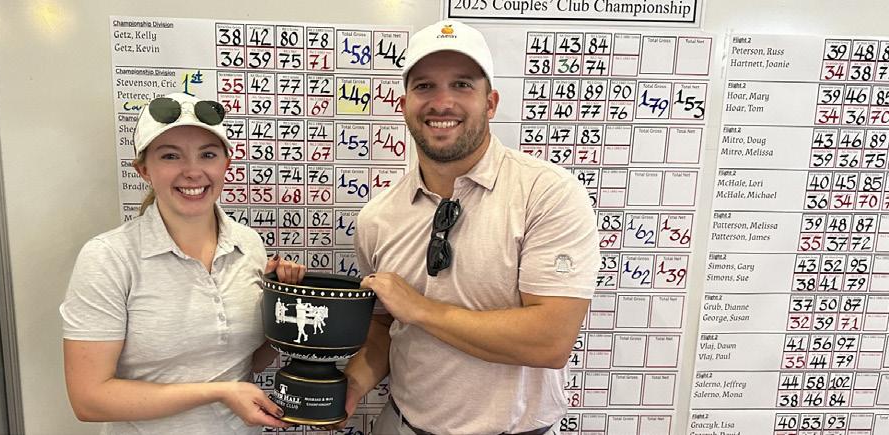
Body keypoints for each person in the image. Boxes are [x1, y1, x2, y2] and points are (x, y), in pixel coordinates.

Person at [339, 20, 598, 434]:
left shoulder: (546, 193)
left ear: (490, 103)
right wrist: (351, 387)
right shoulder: (378, 216)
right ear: (404, 104)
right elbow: (386, 324)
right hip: (402, 425)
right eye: (425, 86)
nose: (442, 103)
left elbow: (551, 340)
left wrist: (422, 309)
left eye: (461, 85)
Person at [60, 92, 306, 434]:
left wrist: (284, 305)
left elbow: (248, 360)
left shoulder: (248, 245)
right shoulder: (109, 257)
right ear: (144, 170)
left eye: (207, 154)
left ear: (226, 164)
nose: (192, 172)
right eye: (170, 156)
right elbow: (89, 400)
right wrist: (218, 392)